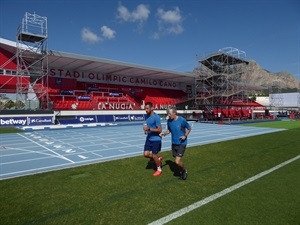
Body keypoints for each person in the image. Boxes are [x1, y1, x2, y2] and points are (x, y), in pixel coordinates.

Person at [160, 106, 191, 180]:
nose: (168, 115)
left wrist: (185, 136)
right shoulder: (169, 121)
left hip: (182, 143)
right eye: (168, 114)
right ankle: (181, 170)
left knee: (177, 161)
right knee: (177, 160)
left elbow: (189, 128)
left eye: (170, 113)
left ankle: (184, 170)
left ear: (174, 113)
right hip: (174, 143)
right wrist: (164, 134)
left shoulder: (181, 120)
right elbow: (169, 130)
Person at [143, 102, 163, 176]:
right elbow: (148, 127)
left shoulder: (156, 117)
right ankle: (158, 159)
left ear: (152, 108)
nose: (146, 110)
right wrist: (145, 130)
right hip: (149, 138)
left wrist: (149, 129)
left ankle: (159, 169)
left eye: (147, 108)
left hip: (156, 139)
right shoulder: (147, 117)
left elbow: (160, 130)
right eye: (145, 108)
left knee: (154, 155)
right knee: (146, 154)